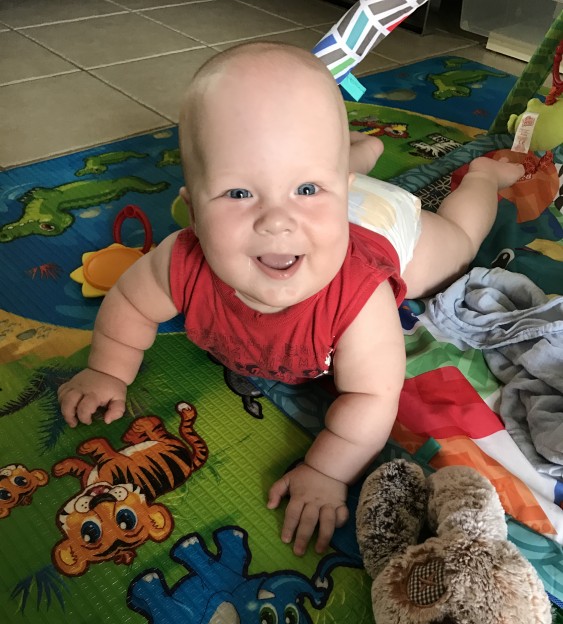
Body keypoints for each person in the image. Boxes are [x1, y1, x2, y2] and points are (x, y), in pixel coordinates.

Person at [58, 42, 524, 556]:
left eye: (306, 188)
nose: (275, 220)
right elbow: (129, 304)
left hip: (378, 229)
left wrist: (326, 469)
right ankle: (347, 158)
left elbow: (372, 397)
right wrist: (108, 370)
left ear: (340, 193)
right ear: (192, 210)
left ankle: (476, 178)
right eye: (238, 194)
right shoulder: (181, 263)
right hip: (335, 200)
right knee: (297, 167)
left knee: (459, 241)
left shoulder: (358, 299)